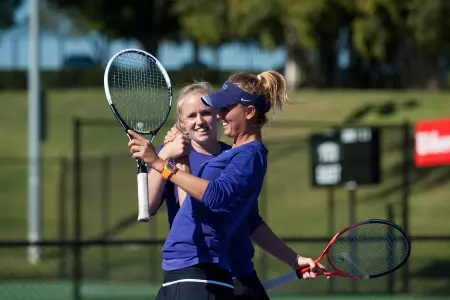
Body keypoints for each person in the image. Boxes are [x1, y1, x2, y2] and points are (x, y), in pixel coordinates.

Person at [127, 71, 324, 300]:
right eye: (191, 115)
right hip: (198, 268)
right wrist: (171, 159)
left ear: (249, 112)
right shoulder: (188, 155)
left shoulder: (238, 156)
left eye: (209, 112)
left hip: (226, 273)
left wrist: (162, 164)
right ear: (181, 124)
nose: (212, 117)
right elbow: (178, 208)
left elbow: (240, 215)